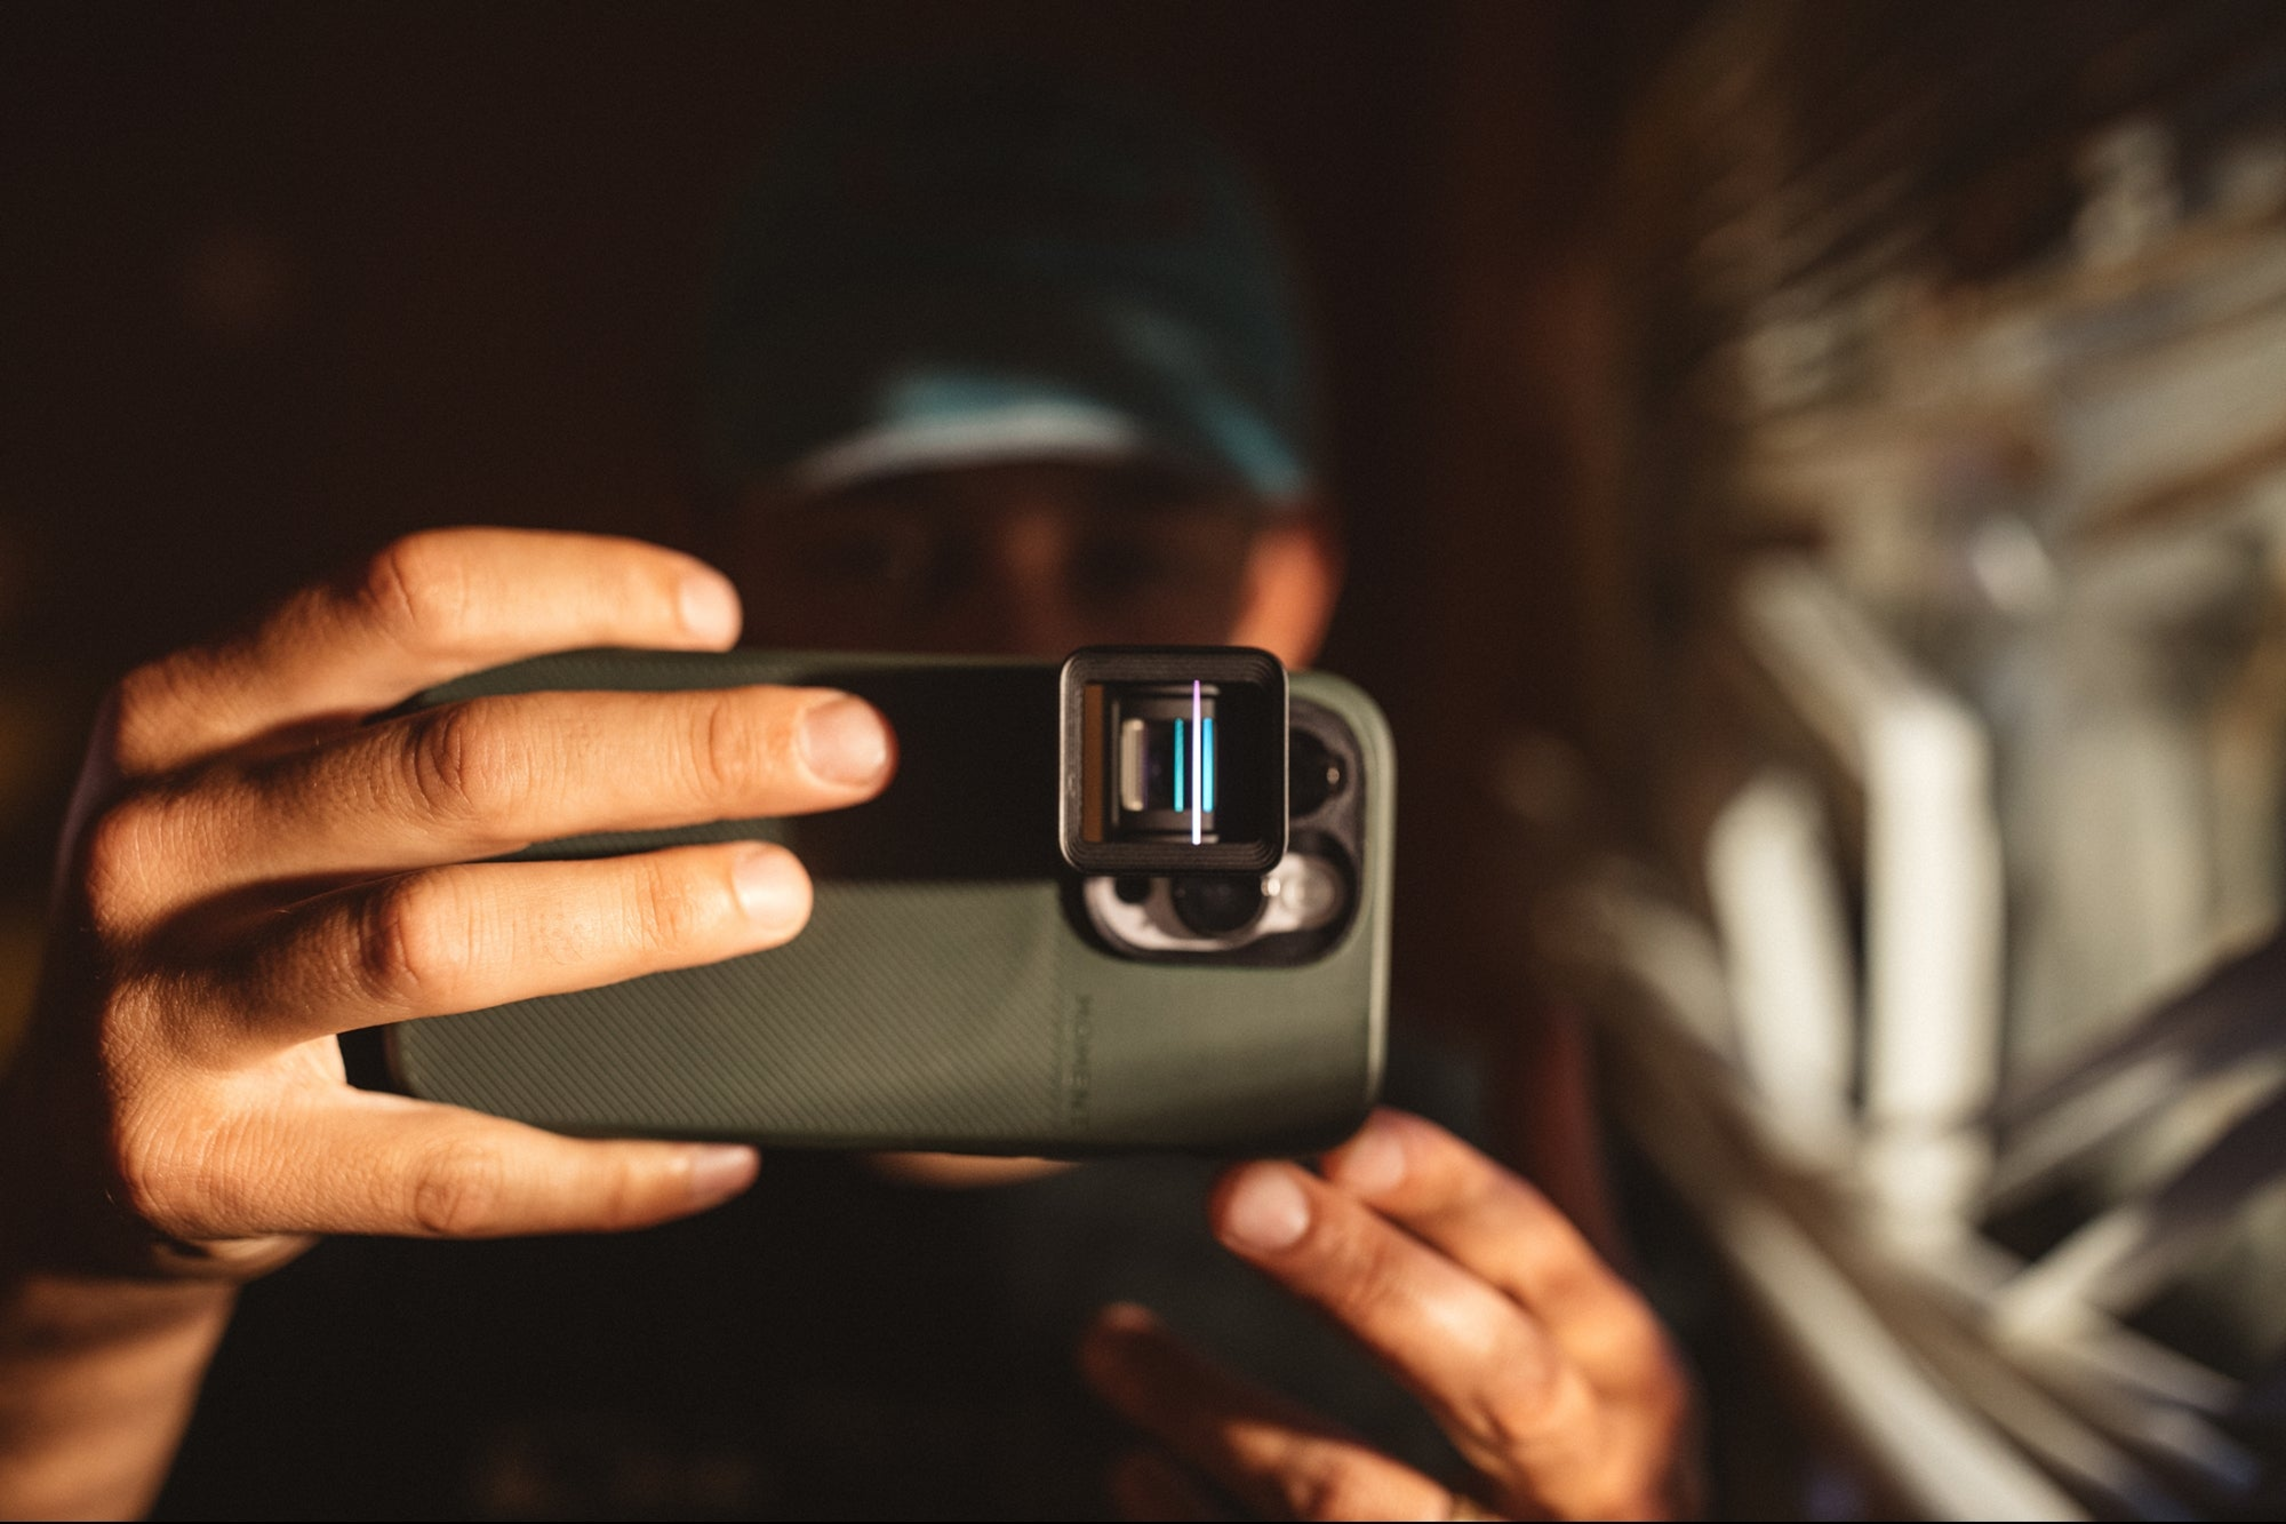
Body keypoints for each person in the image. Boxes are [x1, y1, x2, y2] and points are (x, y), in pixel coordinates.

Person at [0, 71, 1690, 1519]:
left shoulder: (1482, 1242)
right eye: (885, 551)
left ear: (1291, 586)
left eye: (1126, 555)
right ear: (714, 564)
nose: (1022, 650)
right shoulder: (418, 1086)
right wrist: (96, 1293)